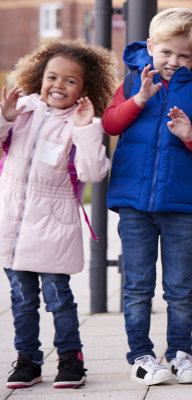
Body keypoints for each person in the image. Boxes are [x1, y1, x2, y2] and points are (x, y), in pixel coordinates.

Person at [101, 8, 192, 385]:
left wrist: (189, 135)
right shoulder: (134, 81)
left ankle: (181, 352)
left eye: (183, 56)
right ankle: (141, 355)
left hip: (180, 205)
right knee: (136, 286)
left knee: (180, 287)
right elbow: (110, 123)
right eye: (166, 52)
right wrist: (138, 100)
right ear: (150, 47)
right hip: (134, 204)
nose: (173, 62)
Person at [1, 39, 116, 389]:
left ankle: (70, 359)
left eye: (70, 81)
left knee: (58, 298)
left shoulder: (80, 122)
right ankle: (27, 360)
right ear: (39, 76)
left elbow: (93, 172)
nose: (59, 86)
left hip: (54, 223)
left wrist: (84, 129)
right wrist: (4, 119)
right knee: (21, 300)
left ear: (85, 87)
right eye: (53, 77)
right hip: (12, 220)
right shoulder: (22, 110)